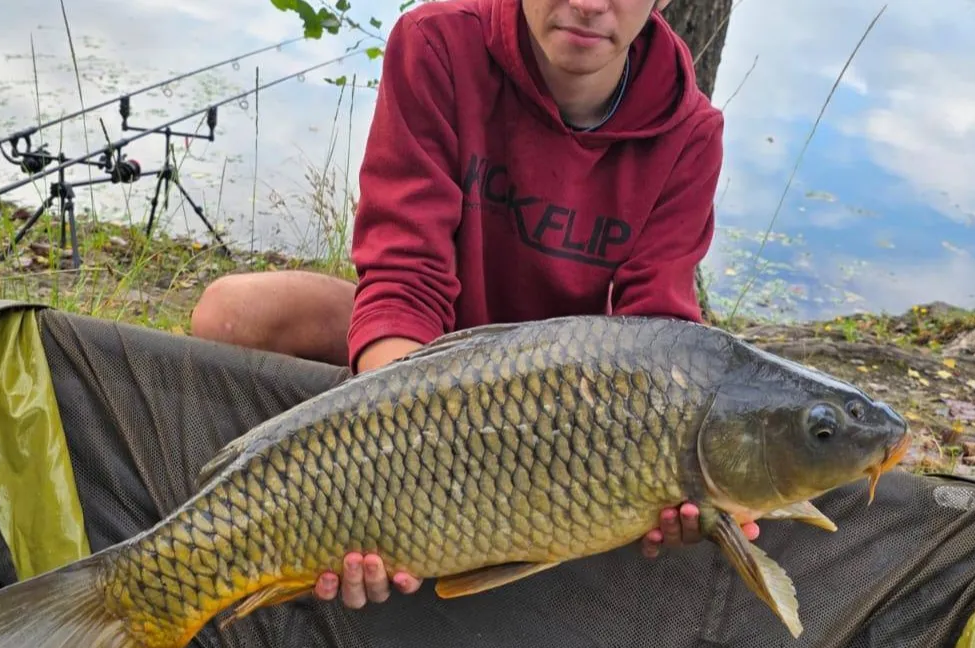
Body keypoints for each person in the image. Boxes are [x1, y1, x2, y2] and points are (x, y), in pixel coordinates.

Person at [190, 0, 758, 608]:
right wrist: (396, 461)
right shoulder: (436, 42)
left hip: (576, 407)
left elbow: (660, 340)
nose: (591, 4)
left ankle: (426, 518)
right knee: (230, 313)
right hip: (427, 353)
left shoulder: (690, 132)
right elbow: (406, 275)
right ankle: (255, 509)